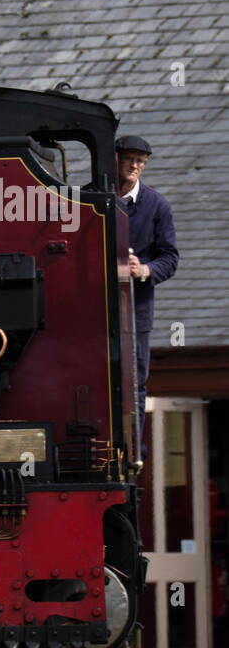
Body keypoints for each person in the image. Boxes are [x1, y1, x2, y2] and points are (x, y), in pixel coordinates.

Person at [117, 134, 178, 444]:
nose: (135, 165)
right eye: (129, 159)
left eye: (140, 161)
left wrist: (144, 270)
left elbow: (170, 258)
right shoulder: (88, 197)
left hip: (136, 309)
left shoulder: (157, 205)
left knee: (135, 381)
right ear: (115, 159)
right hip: (91, 305)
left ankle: (132, 449)